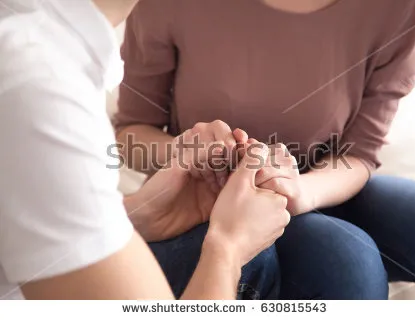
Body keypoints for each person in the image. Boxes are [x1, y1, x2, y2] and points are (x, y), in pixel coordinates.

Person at [115, 0, 415, 299]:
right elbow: (131, 132)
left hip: (321, 187)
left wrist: (300, 191)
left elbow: (360, 151)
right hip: (198, 199)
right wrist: (184, 153)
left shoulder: (405, 6)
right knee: (348, 261)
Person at [0, 0, 290, 300]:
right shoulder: (38, 85)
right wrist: (228, 248)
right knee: (258, 261)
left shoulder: (38, 43)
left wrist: (138, 213)